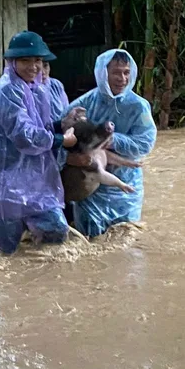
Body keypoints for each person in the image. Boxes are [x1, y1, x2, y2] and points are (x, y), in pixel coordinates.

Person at [0, 31, 79, 254]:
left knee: (56, 231)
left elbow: (38, 127)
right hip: (3, 185)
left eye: (37, 60)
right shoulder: (5, 93)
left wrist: (60, 124)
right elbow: (25, 137)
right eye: (25, 60)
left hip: (33, 183)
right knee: (8, 252)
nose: (34, 66)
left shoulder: (32, 89)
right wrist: (62, 141)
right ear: (12, 62)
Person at [66, 49, 156, 238]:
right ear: (102, 73)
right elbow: (61, 133)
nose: (122, 78)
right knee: (88, 241)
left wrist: (114, 140)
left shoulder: (138, 106)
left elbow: (144, 144)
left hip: (126, 185)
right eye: (116, 72)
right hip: (90, 185)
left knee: (127, 243)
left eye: (126, 72)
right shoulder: (85, 103)